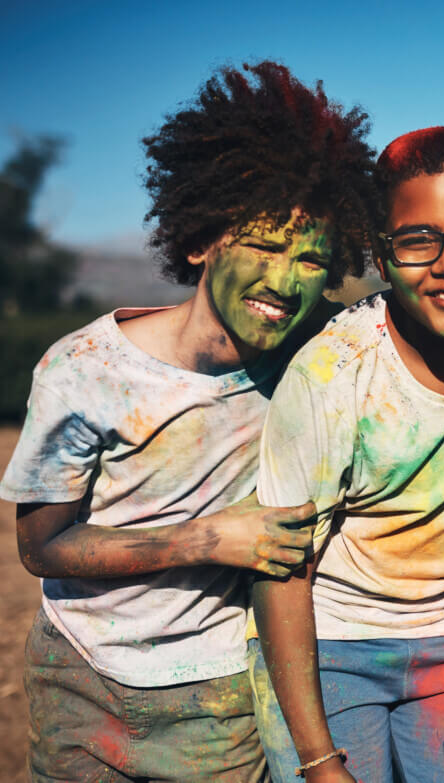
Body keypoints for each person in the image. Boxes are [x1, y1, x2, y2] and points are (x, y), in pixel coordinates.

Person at [1, 61, 380, 782]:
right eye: (265, 245)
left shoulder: (313, 354)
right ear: (202, 238)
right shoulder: (85, 369)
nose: (284, 279)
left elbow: (424, 306)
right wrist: (210, 538)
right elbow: (41, 546)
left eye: (310, 259)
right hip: (80, 679)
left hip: (222, 696)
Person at [249, 126, 444, 783]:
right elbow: (281, 571)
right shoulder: (331, 374)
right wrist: (316, 759)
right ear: (381, 251)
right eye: (419, 240)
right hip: (326, 642)